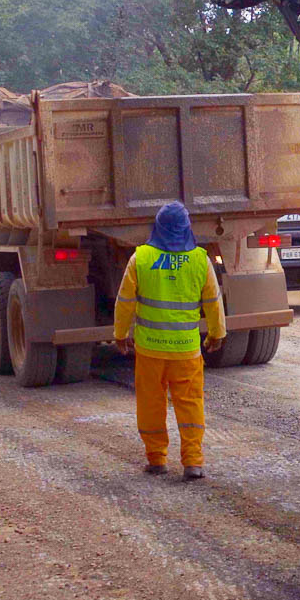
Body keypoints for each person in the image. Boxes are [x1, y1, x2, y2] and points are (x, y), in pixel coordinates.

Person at [113, 201, 225, 481]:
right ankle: (193, 462)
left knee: (151, 404)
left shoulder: (141, 258)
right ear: (187, 228)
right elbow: (213, 301)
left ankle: (156, 459)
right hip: (186, 352)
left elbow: (125, 302)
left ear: (157, 227)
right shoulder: (200, 259)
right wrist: (217, 333)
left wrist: (120, 334)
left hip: (150, 350)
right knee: (190, 404)